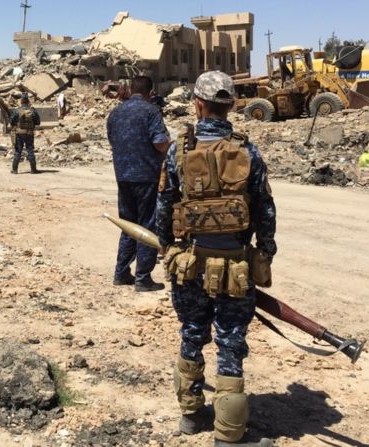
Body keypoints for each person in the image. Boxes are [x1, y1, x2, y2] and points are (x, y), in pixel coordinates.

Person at [155, 71, 277, 447]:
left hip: (188, 265)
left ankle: (190, 415)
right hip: (236, 268)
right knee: (230, 340)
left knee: (192, 332)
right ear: (232, 106)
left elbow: (163, 208)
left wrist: (167, 247)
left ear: (197, 104)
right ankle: (228, 434)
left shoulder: (179, 151)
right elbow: (265, 209)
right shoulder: (248, 150)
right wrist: (265, 251)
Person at [107, 76, 171, 292]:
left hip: (123, 176)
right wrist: (169, 146)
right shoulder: (151, 111)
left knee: (128, 224)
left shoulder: (115, 113)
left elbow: (112, 141)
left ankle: (121, 272)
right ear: (150, 92)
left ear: (131, 90)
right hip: (146, 177)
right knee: (147, 224)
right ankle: (143, 277)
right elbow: (160, 142)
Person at [9, 93, 41, 174]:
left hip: (19, 133)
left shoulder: (17, 110)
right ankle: (33, 169)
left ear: (21, 101)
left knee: (18, 151)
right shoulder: (32, 110)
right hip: (29, 133)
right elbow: (38, 122)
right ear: (28, 101)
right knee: (30, 150)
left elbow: (11, 122)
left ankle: (14, 170)